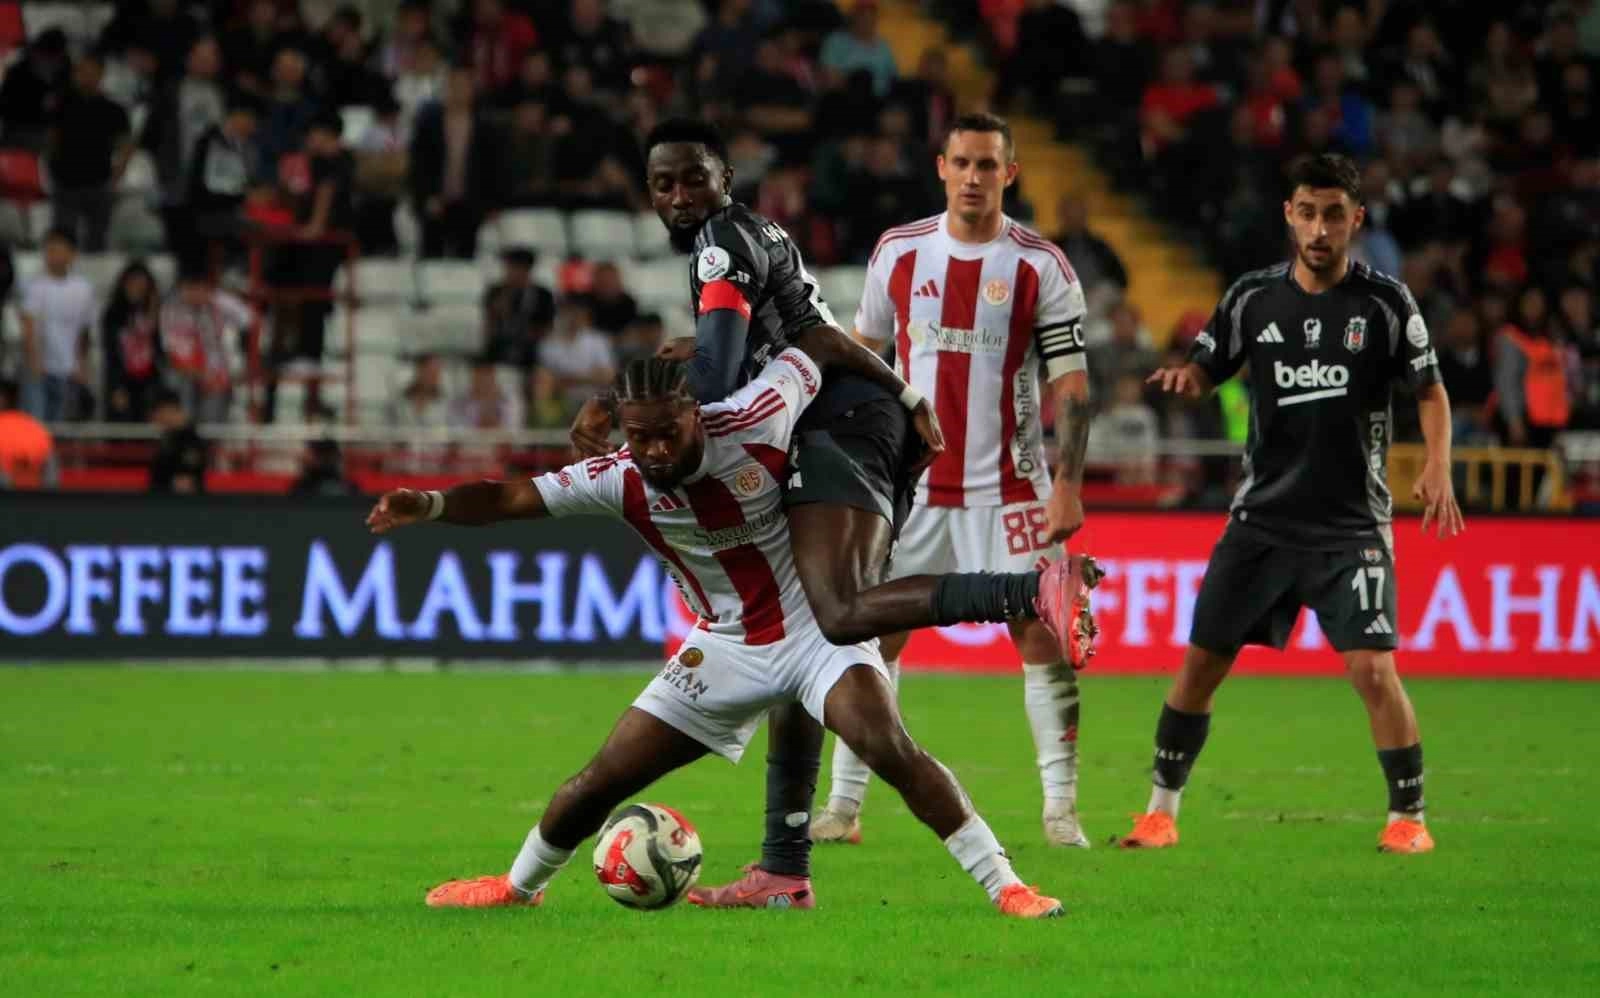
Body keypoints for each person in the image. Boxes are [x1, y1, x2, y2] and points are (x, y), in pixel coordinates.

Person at [569, 118, 1097, 907]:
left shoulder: (721, 244)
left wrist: (623, 399)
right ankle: (790, 862)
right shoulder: (829, 243)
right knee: (813, 640)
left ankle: (1033, 608)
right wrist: (906, 393)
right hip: (852, 429)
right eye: (663, 184)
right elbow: (826, 337)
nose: (678, 196)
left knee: (841, 614)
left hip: (859, 439)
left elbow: (720, 377)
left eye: (693, 179)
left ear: (724, 179)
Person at [371, 349, 1067, 919]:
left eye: (666, 433)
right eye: (638, 436)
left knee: (888, 747)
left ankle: (1007, 887)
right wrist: (430, 504)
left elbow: (816, 345)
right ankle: (518, 886)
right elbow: (508, 497)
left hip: (816, 629)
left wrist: (905, 396)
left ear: (694, 412)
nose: (652, 450)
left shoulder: (758, 414)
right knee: (599, 780)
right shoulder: (617, 477)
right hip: (726, 646)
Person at [1122, 153, 1464, 855]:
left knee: (1373, 670)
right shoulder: (1252, 298)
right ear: (1289, 215)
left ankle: (1409, 817)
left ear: (1356, 220)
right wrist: (1188, 379)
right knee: (1201, 665)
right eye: (1307, 213)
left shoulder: (1386, 303)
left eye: (1334, 215)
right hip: (1263, 521)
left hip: (1351, 526)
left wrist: (1439, 465)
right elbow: (1207, 366)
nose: (1319, 229)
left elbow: (1430, 389)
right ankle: (1159, 813)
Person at [812, 112, 1098, 849]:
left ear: (1011, 173)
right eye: (962, 163)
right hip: (912, 492)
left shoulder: (1041, 266)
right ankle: (843, 807)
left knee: (1041, 633)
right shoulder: (899, 252)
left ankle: (1060, 810)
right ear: (941, 167)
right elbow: (864, 361)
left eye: (988, 165)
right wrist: (853, 464)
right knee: (873, 635)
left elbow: (1071, 386)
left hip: (1011, 491)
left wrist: (1068, 484)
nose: (974, 177)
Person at [48, 53, 133, 253]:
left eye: (91, 72)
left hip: (99, 182)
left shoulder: (114, 110)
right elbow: (51, 138)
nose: (86, 76)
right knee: (64, 235)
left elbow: (126, 145)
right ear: (75, 73)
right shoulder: (61, 105)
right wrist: (53, 167)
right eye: (82, 72)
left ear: (101, 74)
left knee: (97, 239)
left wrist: (117, 174)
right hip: (66, 181)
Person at [18, 229, 96, 423]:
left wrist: (82, 365)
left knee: (62, 426)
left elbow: (85, 330)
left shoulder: (83, 288)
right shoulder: (35, 286)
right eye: (50, 250)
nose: (53, 256)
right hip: (41, 369)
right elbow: (28, 327)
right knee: (37, 424)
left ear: (72, 254)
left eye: (58, 250)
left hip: (69, 369)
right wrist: (34, 362)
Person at [101, 260, 165, 423]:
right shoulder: (113, 314)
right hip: (123, 380)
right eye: (133, 284)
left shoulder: (156, 313)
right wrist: (116, 386)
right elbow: (111, 353)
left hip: (149, 382)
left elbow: (160, 349)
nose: (137, 288)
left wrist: (153, 311)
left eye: (141, 285)